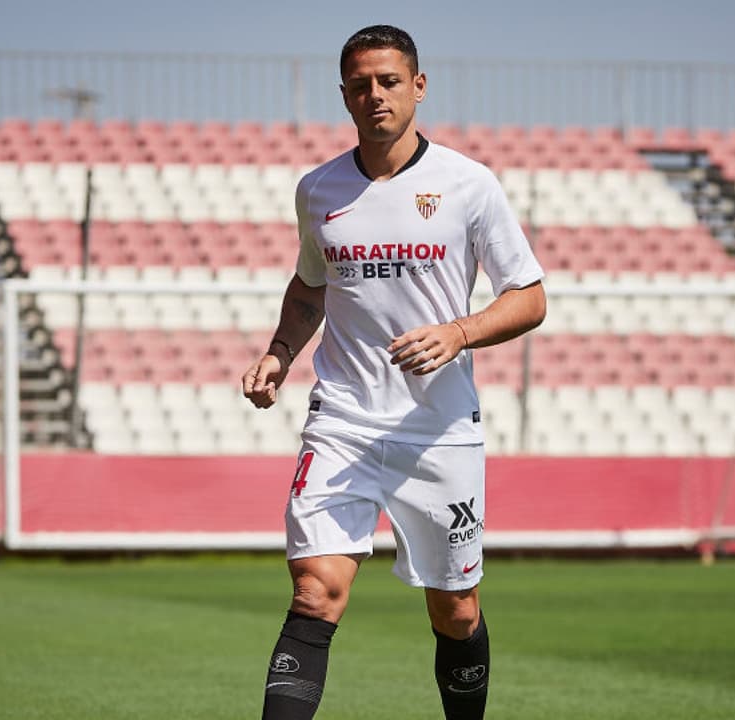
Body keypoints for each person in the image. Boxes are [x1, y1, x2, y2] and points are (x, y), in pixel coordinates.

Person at [241, 24, 546, 720]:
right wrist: (280, 352)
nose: (374, 95)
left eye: (388, 81)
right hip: (343, 421)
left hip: (438, 429)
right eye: (360, 85)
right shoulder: (318, 189)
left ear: (418, 87)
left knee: (457, 611)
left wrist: (458, 332)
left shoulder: (469, 185)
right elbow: (310, 286)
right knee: (315, 592)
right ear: (344, 94)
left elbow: (529, 298)